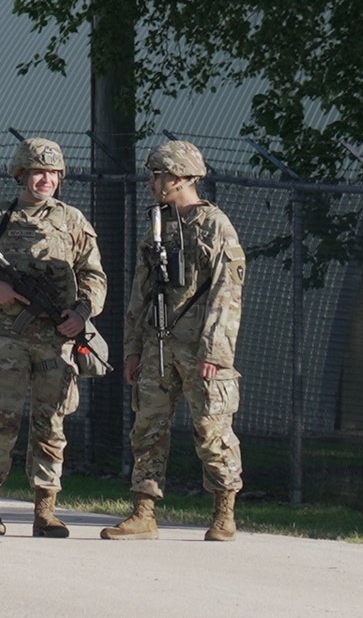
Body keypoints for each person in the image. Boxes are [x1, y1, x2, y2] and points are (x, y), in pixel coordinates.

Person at [0, 137, 107, 537]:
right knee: (0, 425)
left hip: (55, 343)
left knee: (52, 425)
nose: (46, 179)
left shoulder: (73, 221)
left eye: (53, 173)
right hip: (6, 341)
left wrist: (81, 313)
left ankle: (46, 511)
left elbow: (94, 276)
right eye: (38, 172)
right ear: (21, 174)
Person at [101, 140, 247, 542]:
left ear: (183, 177)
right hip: (158, 347)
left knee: (212, 431)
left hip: (201, 349)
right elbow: (140, 293)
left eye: (159, 175)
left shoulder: (216, 226)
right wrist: (133, 349)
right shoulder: (157, 226)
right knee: (147, 428)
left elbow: (226, 293)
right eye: (152, 175)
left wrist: (215, 352)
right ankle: (143, 511)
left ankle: (223, 511)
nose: (153, 182)